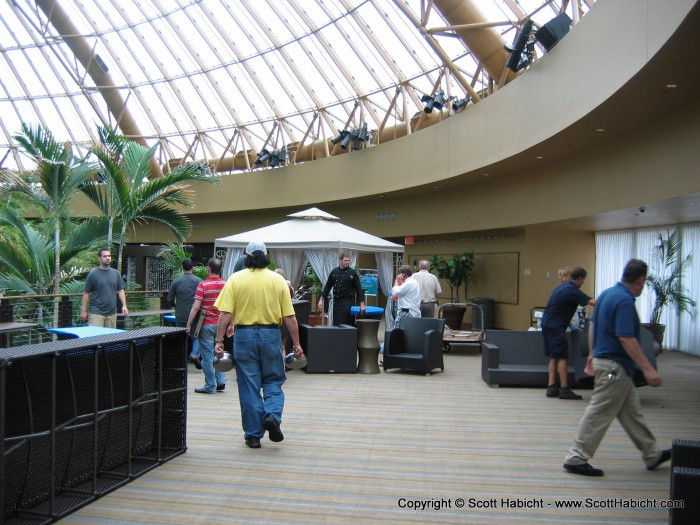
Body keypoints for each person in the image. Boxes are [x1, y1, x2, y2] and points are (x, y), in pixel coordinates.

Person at [563, 259, 671, 477]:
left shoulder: (607, 294)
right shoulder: (624, 301)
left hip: (609, 364)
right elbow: (627, 338)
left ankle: (651, 454)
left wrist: (593, 354)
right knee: (599, 410)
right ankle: (576, 457)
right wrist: (648, 369)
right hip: (614, 367)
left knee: (632, 413)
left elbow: (592, 326)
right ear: (641, 280)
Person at [214, 241, 303, 449]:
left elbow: (225, 314)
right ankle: (272, 414)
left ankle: (253, 435)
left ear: (246, 256)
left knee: (249, 385)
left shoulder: (235, 279)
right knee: (273, 379)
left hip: (243, 336)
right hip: (270, 334)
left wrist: (219, 341)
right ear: (266, 256)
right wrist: (296, 344)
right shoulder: (277, 280)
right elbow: (290, 317)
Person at [541, 266, 595, 400]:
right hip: (556, 326)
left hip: (547, 323)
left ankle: (552, 387)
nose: (583, 283)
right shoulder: (572, 290)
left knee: (554, 355)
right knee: (562, 356)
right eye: (583, 281)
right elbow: (592, 302)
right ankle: (564, 389)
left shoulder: (560, 287)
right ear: (580, 278)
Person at [187, 258, 228, 394]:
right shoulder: (226, 285)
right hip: (222, 325)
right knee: (219, 353)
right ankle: (221, 381)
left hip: (206, 325)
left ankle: (210, 385)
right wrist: (231, 324)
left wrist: (189, 324)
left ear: (208, 269)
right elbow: (230, 307)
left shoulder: (203, 285)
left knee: (207, 356)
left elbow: (196, 307)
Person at [80, 248, 128, 327]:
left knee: (110, 338)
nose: (108, 258)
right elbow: (86, 293)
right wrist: (83, 311)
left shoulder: (116, 273)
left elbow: (120, 290)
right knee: (96, 338)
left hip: (112, 313)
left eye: (109, 256)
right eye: (105, 256)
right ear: (99, 258)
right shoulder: (93, 274)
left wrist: (124, 305)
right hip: (96, 313)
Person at [167, 258, 203, 364]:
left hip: (181, 313)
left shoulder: (176, 281)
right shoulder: (199, 281)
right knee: (197, 336)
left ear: (183, 268)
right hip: (196, 314)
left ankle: (181, 357)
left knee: (181, 335)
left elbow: (169, 299)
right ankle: (194, 354)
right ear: (193, 268)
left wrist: (176, 306)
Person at [318, 253, 365, 325]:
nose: (347, 262)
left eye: (349, 261)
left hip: (347, 301)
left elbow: (358, 289)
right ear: (340, 260)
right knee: (336, 323)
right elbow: (327, 287)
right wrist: (321, 299)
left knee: (344, 323)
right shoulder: (334, 272)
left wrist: (362, 304)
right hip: (336, 302)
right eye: (345, 260)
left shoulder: (352, 273)